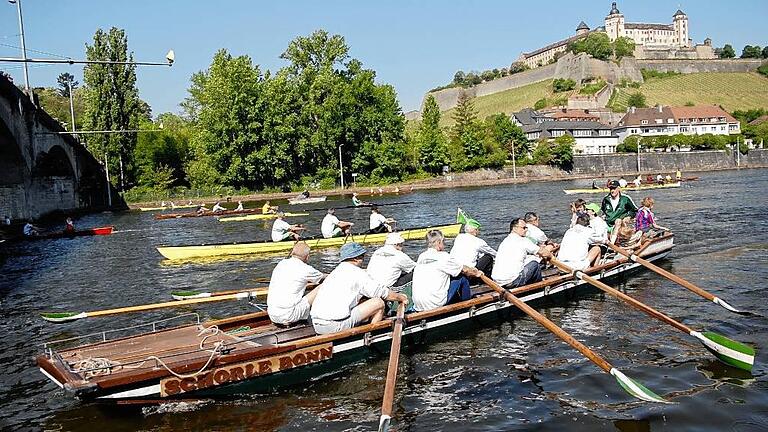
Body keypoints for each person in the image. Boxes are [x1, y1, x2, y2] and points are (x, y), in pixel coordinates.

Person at [310, 242, 407, 335]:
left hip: (316, 323)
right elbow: (381, 292)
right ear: (357, 258)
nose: (364, 259)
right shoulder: (358, 273)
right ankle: (372, 335)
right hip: (333, 326)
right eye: (363, 256)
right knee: (379, 303)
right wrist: (400, 297)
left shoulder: (335, 272)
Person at [412, 230, 483, 312]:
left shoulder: (422, 256)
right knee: (462, 278)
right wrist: (477, 273)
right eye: (443, 241)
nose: (444, 244)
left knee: (451, 276)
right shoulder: (444, 256)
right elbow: (465, 270)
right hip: (435, 304)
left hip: (418, 305)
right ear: (439, 242)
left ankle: (456, 301)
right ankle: (468, 307)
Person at [267, 242, 325, 326]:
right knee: (324, 286)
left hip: (272, 314)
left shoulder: (281, 263)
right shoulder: (306, 269)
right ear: (307, 257)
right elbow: (324, 278)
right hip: (289, 315)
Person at [492, 218, 554, 288]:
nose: (526, 230)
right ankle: (539, 288)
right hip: (512, 281)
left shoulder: (505, 241)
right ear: (514, 228)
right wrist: (552, 257)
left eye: (526, 228)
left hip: (497, 281)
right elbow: (543, 252)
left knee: (530, 261)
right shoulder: (522, 240)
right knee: (535, 264)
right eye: (524, 228)